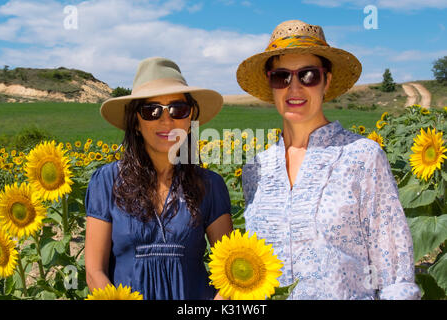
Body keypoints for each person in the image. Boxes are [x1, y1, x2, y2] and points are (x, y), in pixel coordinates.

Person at [236, 20, 420, 300]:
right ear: (270, 84)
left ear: (327, 80)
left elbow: (395, 276)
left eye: (308, 75)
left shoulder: (363, 157)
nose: (294, 87)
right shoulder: (255, 169)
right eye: (281, 77)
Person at [84, 57, 233, 300]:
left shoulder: (210, 185)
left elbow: (230, 271)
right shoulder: (106, 181)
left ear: (190, 119)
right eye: (151, 111)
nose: (166, 120)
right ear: (135, 122)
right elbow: (94, 272)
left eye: (178, 109)